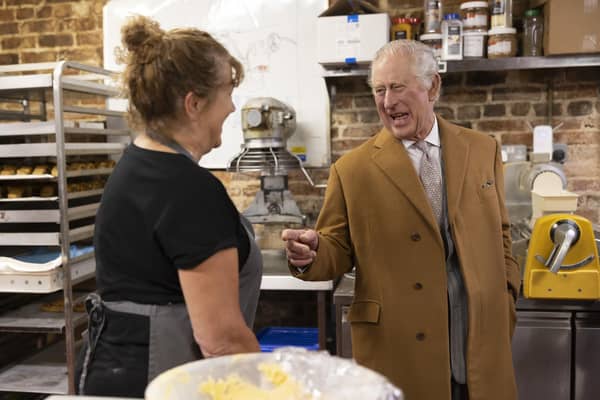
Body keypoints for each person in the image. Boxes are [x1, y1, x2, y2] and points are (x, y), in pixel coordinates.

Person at [282, 40, 520, 400]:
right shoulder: (352, 169)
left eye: (398, 87)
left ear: (433, 87)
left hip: (480, 342)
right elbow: (336, 248)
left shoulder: (483, 149)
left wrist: (507, 297)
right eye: (379, 90)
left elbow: (500, 231)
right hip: (399, 349)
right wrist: (311, 255)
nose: (388, 102)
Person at [75, 16, 262, 397]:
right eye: (227, 91)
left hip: (115, 371)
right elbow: (221, 340)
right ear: (194, 103)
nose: (231, 107)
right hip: (160, 377)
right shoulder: (188, 189)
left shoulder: (136, 165)